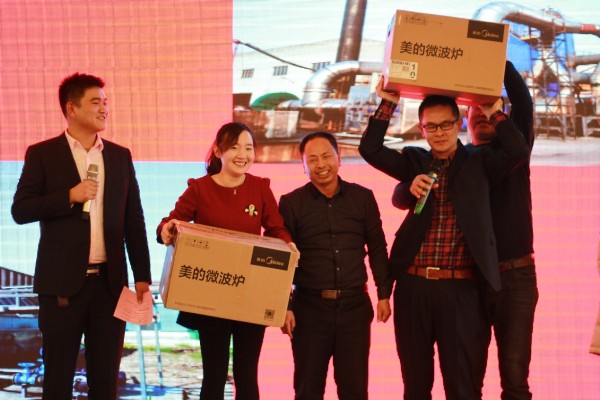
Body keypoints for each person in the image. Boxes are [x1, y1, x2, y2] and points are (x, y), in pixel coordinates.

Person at [358, 80, 529, 399]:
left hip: (462, 290)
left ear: (459, 123)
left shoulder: (480, 161)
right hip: (412, 288)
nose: (439, 133)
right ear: (421, 129)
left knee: (463, 388)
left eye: (446, 124)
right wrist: (388, 104)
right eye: (431, 126)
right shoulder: (414, 161)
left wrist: (494, 112)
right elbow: (370, 149)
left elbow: (518, 150)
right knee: (415, 386)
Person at [11, 73, 152, 399]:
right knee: (57, 380)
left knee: (105, 382)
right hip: (61, 288)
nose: (104, 108)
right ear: (71, 108)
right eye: (95, 102)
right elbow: (21, 209)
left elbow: (134, 220)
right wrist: (69, 196)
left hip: (110, 286)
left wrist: (142, 275)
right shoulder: (43, 154)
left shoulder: (119, 156)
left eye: (106, 102)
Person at [157, 122, 294, 400]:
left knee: (247, 375)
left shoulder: (260, 188)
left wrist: (287, 245)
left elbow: (275, 229)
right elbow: (171, 222)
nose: (243, 154)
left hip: (251, 295)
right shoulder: (200, 188)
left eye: (248, 148)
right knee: (214, 376)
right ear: (219, 151)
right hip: (212, 296)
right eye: (235, 147)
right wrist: (166, 229)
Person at [278, 131, 393, 400]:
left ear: (339, 159)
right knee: (308, 390)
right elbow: (282, 260)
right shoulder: (291, 203)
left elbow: (377, 248)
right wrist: (285, 306)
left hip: (355, 308)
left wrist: (384, 294)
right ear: (303, 166)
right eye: (312, 159)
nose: (321, 164)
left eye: (326, 156)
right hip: (309, 311)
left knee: (355, 391)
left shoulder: (363, 198)